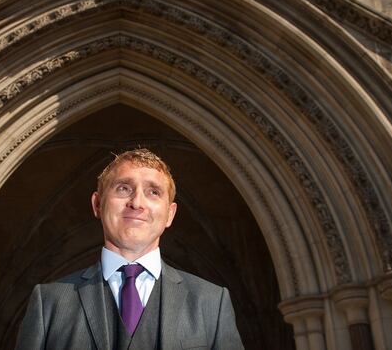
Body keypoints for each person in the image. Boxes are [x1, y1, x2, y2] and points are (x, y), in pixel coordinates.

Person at [15, 148, 244, 349]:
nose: (137, 203)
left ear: (170, 214)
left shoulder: (211, 301)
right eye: (123, 188)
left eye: (153, 192)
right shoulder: (48, 303)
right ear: (97, 204)